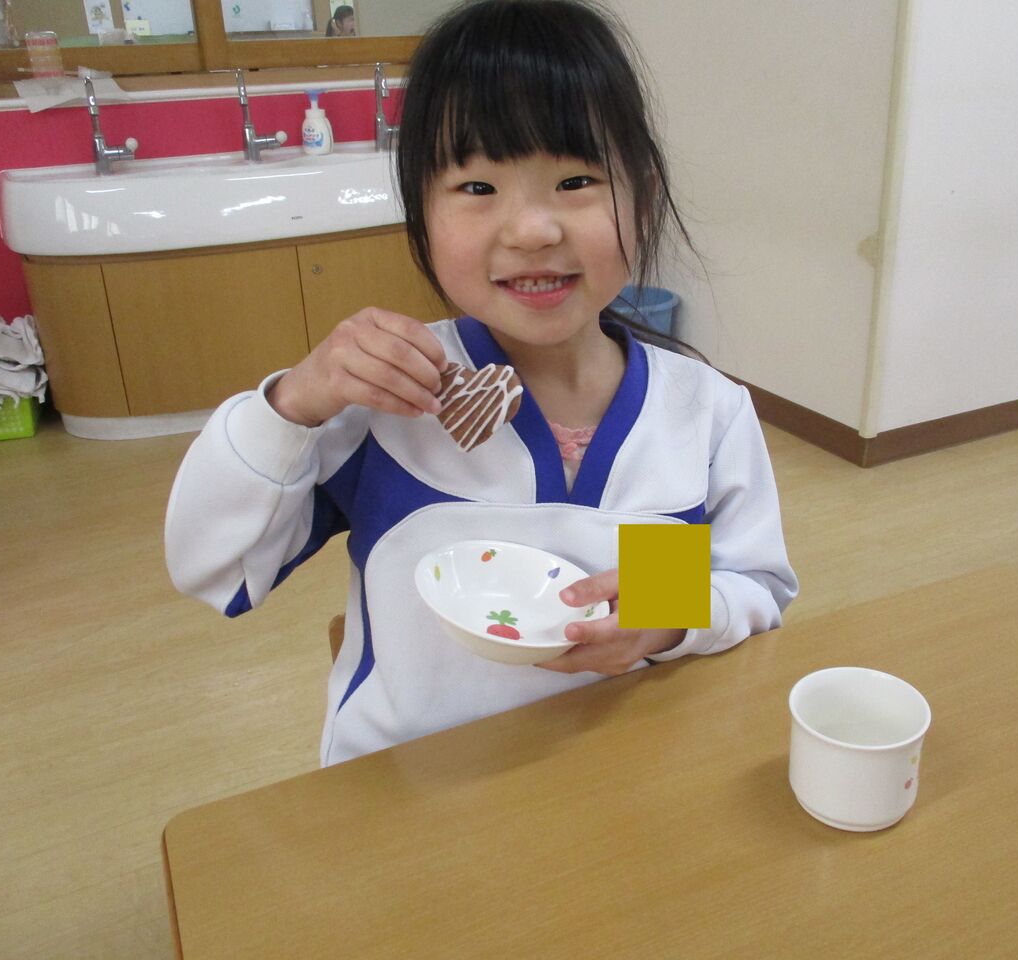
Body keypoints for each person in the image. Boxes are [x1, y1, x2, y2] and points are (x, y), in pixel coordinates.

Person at [165, 0, 798, 766]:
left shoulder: (702, 414)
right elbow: (215, 570)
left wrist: (666, 621)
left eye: (575, 180)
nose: (532, 229)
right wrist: (291, 404)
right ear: (421, 213)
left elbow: (752, 586)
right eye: (476, 188)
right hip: (412, 786)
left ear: (645, 197)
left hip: (621, 781)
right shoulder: (388, 402)